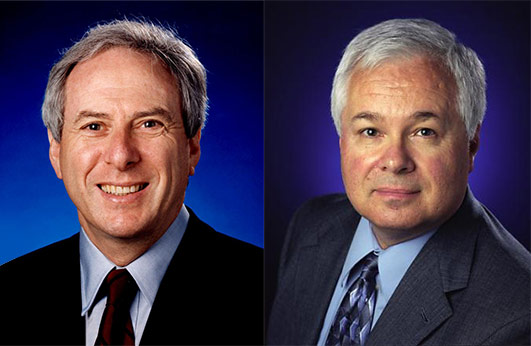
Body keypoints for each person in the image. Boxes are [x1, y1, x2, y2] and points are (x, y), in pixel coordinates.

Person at [0, 19, 262, 345]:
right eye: (94, 126)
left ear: (192, 147)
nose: (121, 155)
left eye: (149, 123)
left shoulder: (266, 290)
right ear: (56, 152)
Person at [268, 18, 530, 345]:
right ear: (341, 140)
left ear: (471, 144)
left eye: (424, 132)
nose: (395, 161)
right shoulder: (310, 223)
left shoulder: (518, 317)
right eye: (371, 131)